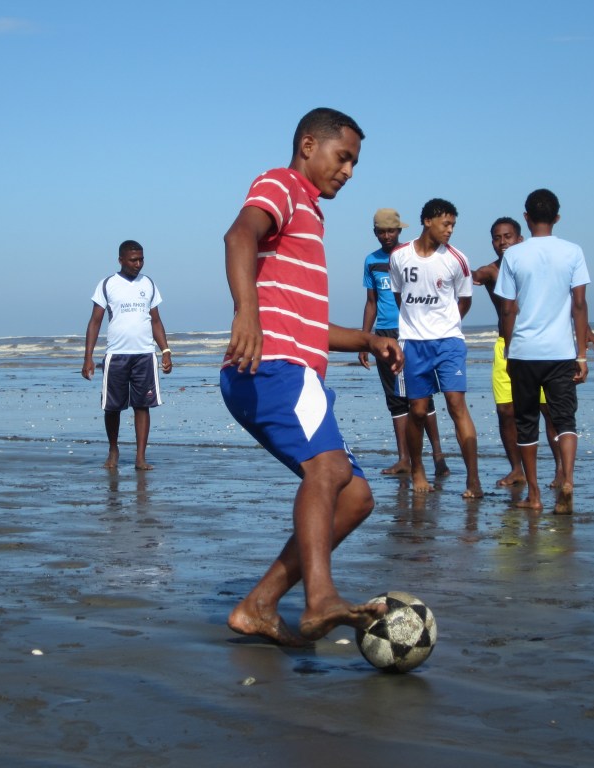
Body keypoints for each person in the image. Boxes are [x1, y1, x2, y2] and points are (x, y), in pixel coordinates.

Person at [220, 107, 403, 646]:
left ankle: (259, 605)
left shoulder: (312, 217)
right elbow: (237, 237)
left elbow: (310, 325)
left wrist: (368, 339)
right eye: (342, 156)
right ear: (308, 145)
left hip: (294, 369)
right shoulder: (281, 184)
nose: (348, 171)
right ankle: (320, 598)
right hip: (273, 367)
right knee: (325, 468)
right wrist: (246, 310)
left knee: (356, 496)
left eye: (354, 163)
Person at [473, 217, 594, 488]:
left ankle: (560, 470)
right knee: (506, 411)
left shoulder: (531, 265)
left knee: (549, 410)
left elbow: (563, 300)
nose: (502, 242)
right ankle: (516, 469)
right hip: (506, 346)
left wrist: (587, 332)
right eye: (497, 238)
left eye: (508, 236)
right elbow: (466, 278)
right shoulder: (491, 272)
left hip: (539, 348)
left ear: (520, 239)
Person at [496, 189, 591, 513]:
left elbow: (508, 309)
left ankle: (534, 495)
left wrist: (509, 350)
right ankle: (567, 479)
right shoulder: (572, 252)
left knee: (526, 423)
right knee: (565, 420)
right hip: (562, 352)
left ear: (526, 218)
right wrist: (581, 354)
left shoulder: (514, 255)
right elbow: (579, 304)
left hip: (525, 351)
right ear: (557, 218)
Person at [389, 198, 483, 498]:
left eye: (453, 224)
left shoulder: (456, 259)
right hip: (413, 344)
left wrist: (447, 324)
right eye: (446, 223)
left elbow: (464, 300)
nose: (450, 230)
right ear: (428, 221)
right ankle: (418, 470)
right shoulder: (400, 256)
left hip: (449, 343)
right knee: (417, 411)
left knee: (456, 404)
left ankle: (473, 480)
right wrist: (416, 324)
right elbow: (398, 295)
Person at [360, 208, 450, 476]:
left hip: (412, 333)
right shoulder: (371, 261)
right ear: (375, 233)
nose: (386, 236)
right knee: (396, 400)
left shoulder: (411, 255)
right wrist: (366, 339)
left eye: (391, 231)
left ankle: (437, 457)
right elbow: (371, 302)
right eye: (381, 231)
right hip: (384, 335)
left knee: (422, 396)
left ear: (400, 231)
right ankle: (404, 459)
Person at [82, 240, 173, 470]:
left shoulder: (149, 284)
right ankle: (113, 450)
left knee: (142, 406)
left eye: (141, 259)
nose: (138, 264)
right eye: (133, 260)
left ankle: (140, 458)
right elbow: (95, 322)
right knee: (112, 407)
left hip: (144, 355)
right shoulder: (107, 285)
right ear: (121, 259)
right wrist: (88, 357)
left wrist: (166, 351)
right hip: (117, 355)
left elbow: (156, 320)